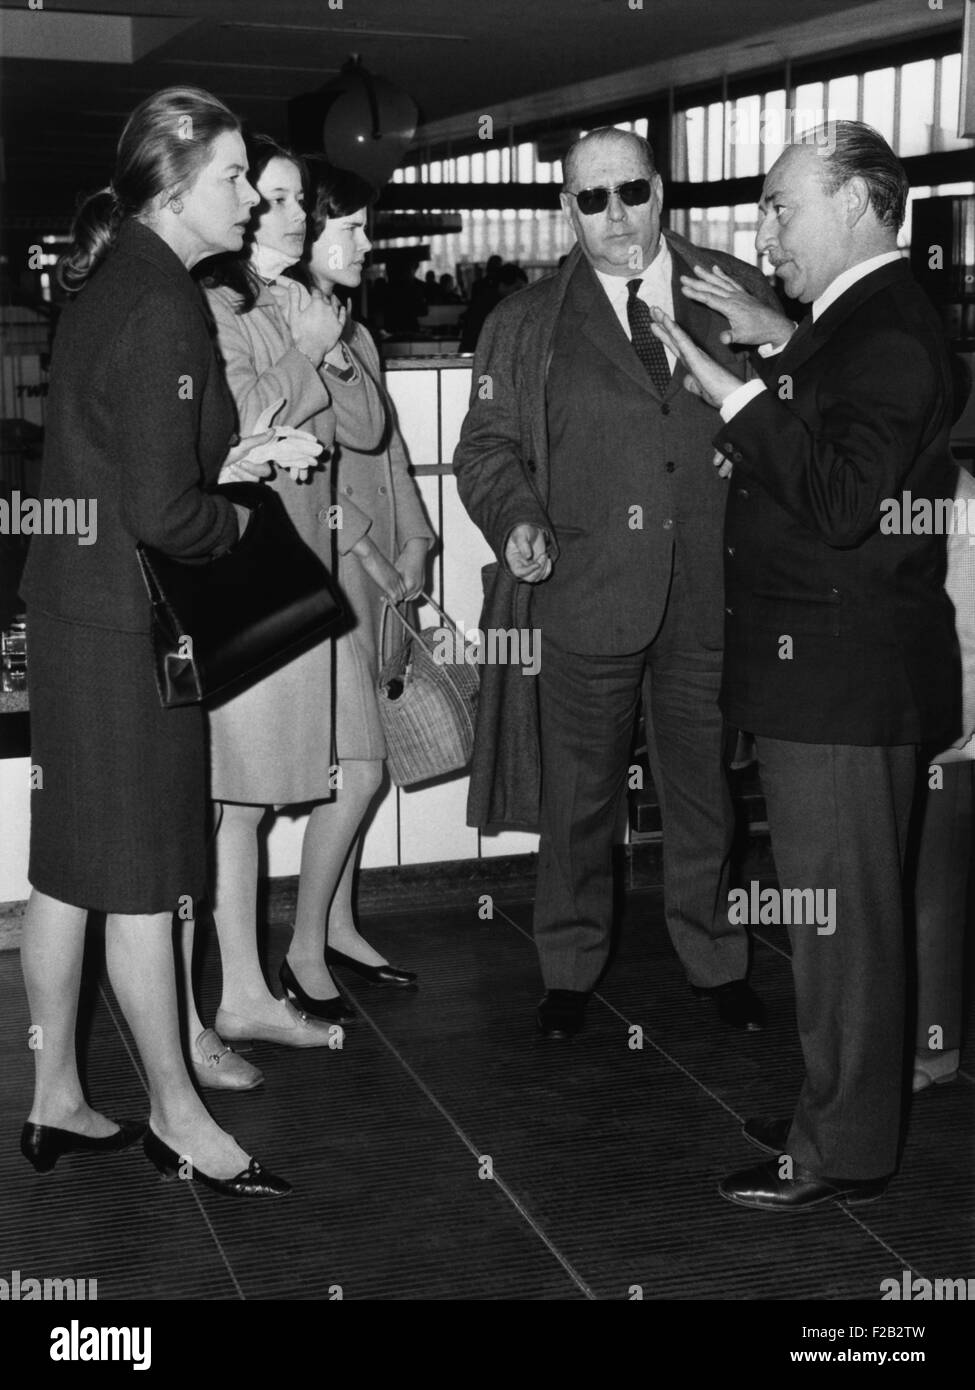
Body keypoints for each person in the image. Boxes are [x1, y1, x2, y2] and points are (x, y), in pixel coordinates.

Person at [650, 121, 961, 1210]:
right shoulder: (861, 319)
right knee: (841, 923)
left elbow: (837, 498)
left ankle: (843, 1150)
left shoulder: (889, 336)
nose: (764, 228)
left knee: (844, 932)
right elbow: (835, 421)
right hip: (831, 676)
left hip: (842, 679)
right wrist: (780, 344)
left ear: (865, 206)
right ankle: (837, 1110)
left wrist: (726, 389)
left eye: (784, 207)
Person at [18, 86, 290, 1196]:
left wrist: (214, 464)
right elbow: (164, 513)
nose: (251, 193)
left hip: (73, 608)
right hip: (125, 625)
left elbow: (123, 453)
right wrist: (235, 515)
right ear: (176, 188)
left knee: (70, 874)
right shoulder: (167, 300)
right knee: (138, 880)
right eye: (233, 177)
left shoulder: (112, 277)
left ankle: (55, 1099)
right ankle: (178, 1119)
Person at [453, 127, 778, 1040]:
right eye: (589, 200)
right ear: (567, 210)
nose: (614, 216)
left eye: (628, 192)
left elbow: (792, 414)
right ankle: (566, 966)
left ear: (659, 192)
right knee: (578, 797)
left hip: (708, 593)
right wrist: (517, 516)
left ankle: (715, 960)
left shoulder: (731, 292)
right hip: (584, 592)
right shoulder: (525, 321)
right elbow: (485, 448)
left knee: (703, 792)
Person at [282, 158, 432, 1006]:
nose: (367, 244)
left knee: (355, 765)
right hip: (329, 578)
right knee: (361, 771)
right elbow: (314, 475)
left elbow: (388, 450)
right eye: (353, 227)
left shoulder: (352, 329)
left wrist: (414, 540)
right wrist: (376, 553)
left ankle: (336, 929)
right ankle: (304, 948)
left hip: (374, 577)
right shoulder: (292, 328)